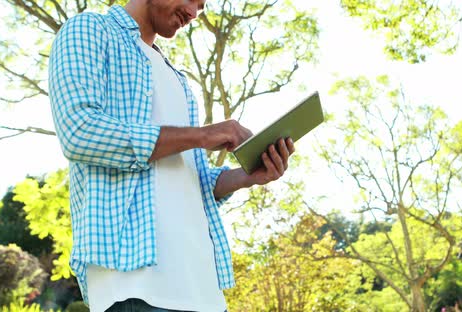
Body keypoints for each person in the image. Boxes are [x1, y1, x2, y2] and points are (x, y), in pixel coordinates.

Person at [48, 0, 295, 311]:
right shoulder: (91, 30)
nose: (193, 13)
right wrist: (203, 135)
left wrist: (246, 177)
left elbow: (190, 178)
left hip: (203, 287)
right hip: (136, 283)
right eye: (192, 0)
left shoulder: (176, 77)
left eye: (201, 7)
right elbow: (80, 132)